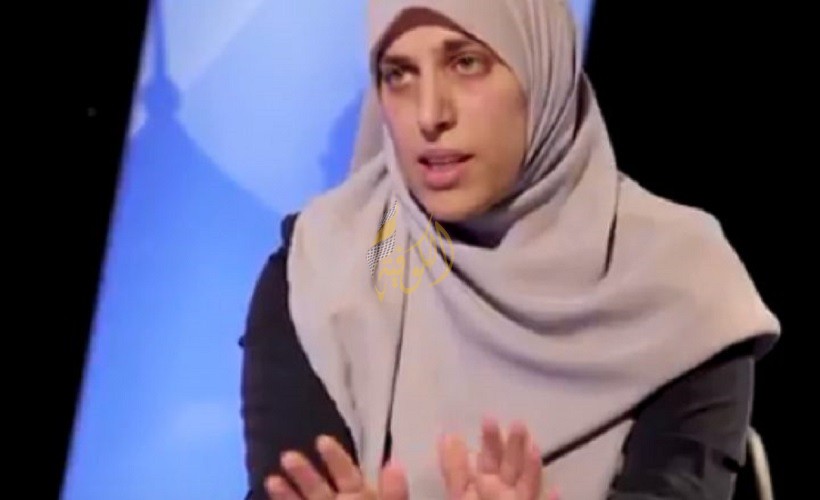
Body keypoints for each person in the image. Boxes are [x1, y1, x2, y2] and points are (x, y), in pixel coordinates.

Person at [240, 1, 781, 498]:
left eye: (466, 63)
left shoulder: (677, 277)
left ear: (541, 68)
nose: (430, 114)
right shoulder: (330, 264)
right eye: (398, 74)